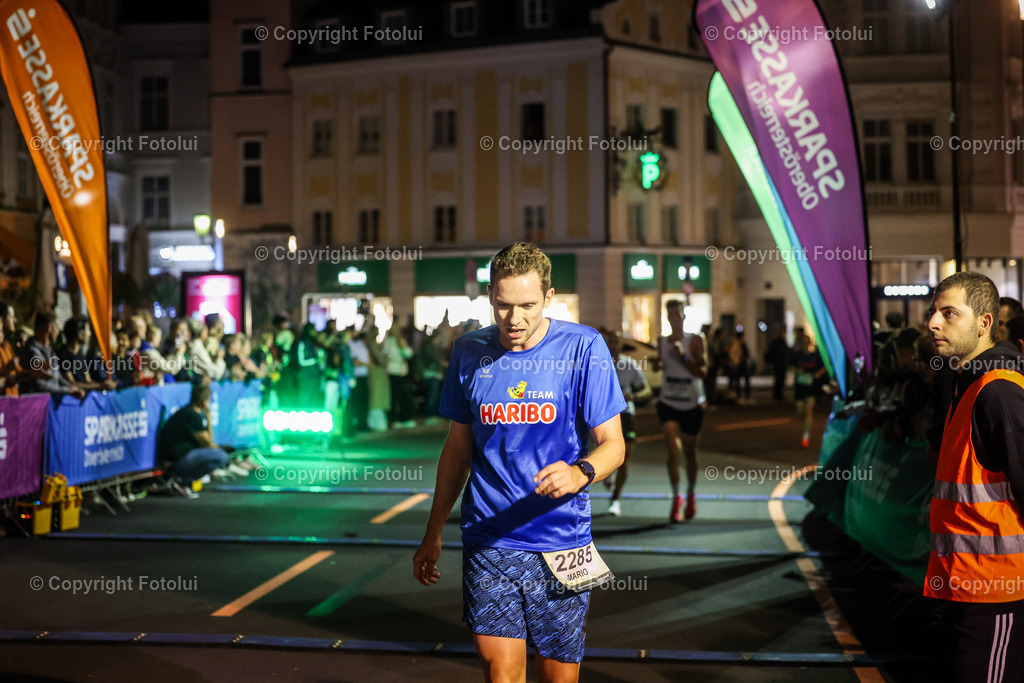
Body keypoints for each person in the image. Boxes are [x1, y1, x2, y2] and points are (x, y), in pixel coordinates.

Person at [412, 242, 625, 682]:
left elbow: (613, 445)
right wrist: (433, 532)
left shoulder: (584, 348)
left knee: (558, 678)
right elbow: (456, 451)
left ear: (549, 298)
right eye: (504, 306)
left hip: (561, 539)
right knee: (500, 671)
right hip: (489, 538)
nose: (515, 320)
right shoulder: (469, 352)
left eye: (527, 305)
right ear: (490, 296)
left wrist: (579, 471)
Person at [923, 272, 1024, 682]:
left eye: (949, 313)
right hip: (964, 586)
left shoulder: (998, 392)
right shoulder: (969, 383)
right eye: (933, 312)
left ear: (984, 323)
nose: (933, 322)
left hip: (996, 590)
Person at [656, 300, 707, 522]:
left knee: (689, 453)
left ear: (684, 317)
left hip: (691, 403)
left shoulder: (695, 340)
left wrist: (683, 357)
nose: (673, 319)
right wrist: (657, 365)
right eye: (670, 315)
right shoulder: (661, 341)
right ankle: (676, 498)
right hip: (668, 401)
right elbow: (660, 365)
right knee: (672, 449)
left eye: (677, 315)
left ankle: (691, 494)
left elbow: (703, 372)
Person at [602, 329, 649, 517]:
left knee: (625, 456)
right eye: (609, 342)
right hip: (603, 417)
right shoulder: (597, 365)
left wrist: (634, 396)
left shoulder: (629, 365)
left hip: (626, 414)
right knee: (604, 455)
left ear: (620, 344)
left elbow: (645, 390)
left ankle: (615, 499)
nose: (613, 346)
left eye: (616, 342)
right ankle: (608, 474)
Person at [156, 383, 230, 498]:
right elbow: (208, 443)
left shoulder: (187, 411)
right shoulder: (192, 415)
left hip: (177, 455)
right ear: (204, 400)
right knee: (221, 456)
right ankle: (182, 480)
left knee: (219, 451)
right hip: (175, 459)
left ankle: (181, 479)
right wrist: (209, 419)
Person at [18, 312, 85, 398]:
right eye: (57, 327)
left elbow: (58, 377)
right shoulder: (32, 351)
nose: (58, 331)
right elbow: (40, 385)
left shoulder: (50, 351)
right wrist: (67, 390)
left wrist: (73, 388)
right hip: (37, 407)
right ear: (49, 328)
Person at [789, 333, 825, 448]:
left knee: (809, 410)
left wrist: (818, 374)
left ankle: (805, 437)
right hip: (800, 386)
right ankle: (805, 421)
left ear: (809, 343)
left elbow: (824, 366)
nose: (805, 344)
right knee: (800, 412)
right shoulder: (796, 355)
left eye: (807, 342)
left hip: (811, 386)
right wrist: (797, 370)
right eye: (803, 342)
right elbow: (790, 366)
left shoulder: (815, 356)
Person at [764, 330, 791, 402]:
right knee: (780, 379)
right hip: (780, 363)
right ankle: (778, 394)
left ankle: (777, 394)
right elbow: (785, 351)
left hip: (777, 363)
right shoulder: (781, 343)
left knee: (778, 379)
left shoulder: (776, 342)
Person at [0, 301, 20, 396]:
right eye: (11, 316)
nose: (15, 320)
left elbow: (17, 372)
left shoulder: (7, 346)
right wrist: (6, 370)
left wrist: (33, 374)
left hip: (12, 404)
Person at [728, 329, 751, 402]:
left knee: (738, 380)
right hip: (740, 364)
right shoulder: (740, 344)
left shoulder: (735, 344)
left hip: (737, 364)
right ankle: (742, 394)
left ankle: (740, 394)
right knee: (741, 380)